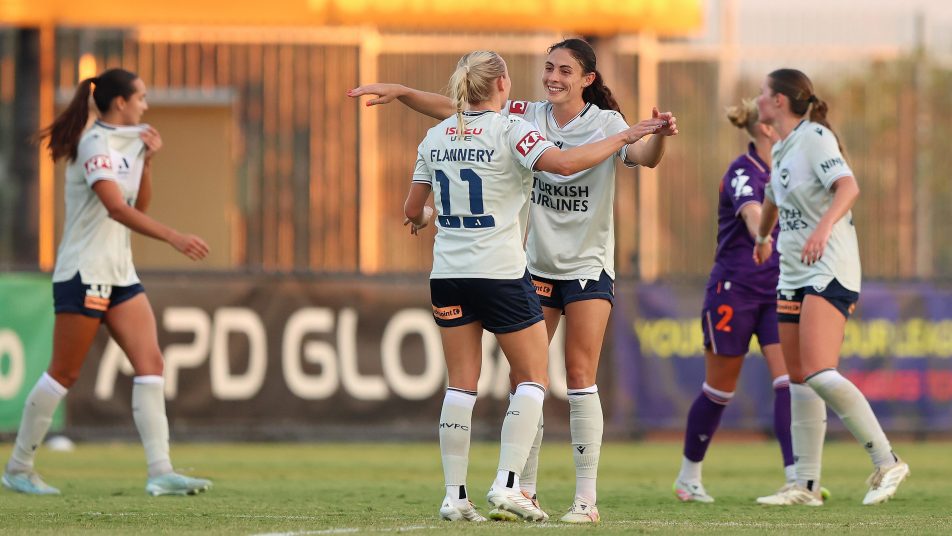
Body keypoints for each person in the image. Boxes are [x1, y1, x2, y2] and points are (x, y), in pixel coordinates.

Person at [352, 37, 678, 523]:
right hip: (530, 265)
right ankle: (523, 488)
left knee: (578, 376)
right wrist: (403, 93)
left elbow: (646, 158)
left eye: (564, 70)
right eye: (548, 67)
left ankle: (585, 501)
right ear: (506, 83)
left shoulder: (607, 123)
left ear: (587, 79)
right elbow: (460, 108)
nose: (552, 77)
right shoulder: (524, 117)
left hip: (585, 265)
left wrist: (656, 137)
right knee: (526, 379)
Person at [2, 68, 212, 497]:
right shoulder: (93, 143)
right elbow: (115, 208)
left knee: (151, 364)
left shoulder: (131, 141)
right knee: (64, 372)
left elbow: (138, 203)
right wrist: (174, 236)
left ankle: (160, 471)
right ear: (121, 102)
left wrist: (147, 161)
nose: (146, 105)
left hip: (120, 274)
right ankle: (19, 468)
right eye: (141, 97)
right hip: (84, 272)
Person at [752, 68, 909, 506]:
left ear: (780, 101)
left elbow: (848, 187)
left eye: (763, 92)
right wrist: (763, 238)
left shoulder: (815, 136)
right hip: (793, 273)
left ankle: (888, 461)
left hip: (829, 269)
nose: (758, 98)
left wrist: (822, 229)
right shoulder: (782, 146)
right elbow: (772, 198)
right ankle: (805, 486)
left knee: (819, 371)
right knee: (800, 379)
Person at [672, 98, 801, 503]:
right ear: (765, 128)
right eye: (782, 119)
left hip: (776, 291)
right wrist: (764, 235)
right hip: (734, 291)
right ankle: (688, 477)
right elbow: (752, 215)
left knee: (788, 381)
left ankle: (797, 479)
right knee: (719, 390)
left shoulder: (788, 169)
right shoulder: (743, 171)